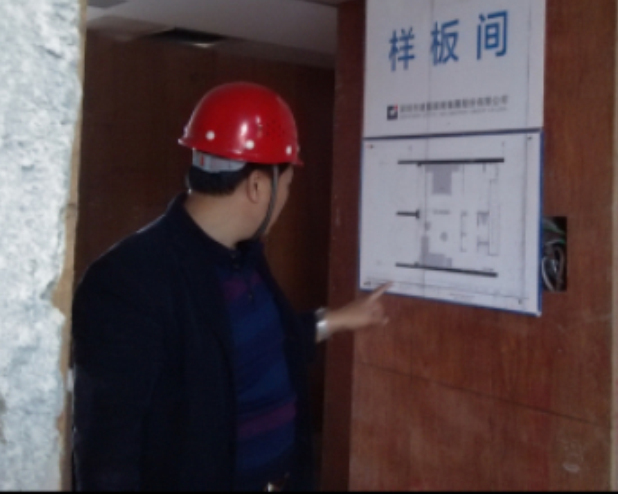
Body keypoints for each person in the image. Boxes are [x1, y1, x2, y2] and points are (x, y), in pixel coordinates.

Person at [72, 81, 388, 491]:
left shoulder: (244, 257)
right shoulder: (128, 281)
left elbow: (262, 342)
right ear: (258, 186)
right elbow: (106, 459)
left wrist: (338, 320)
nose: (286, 198)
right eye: (287, 186)